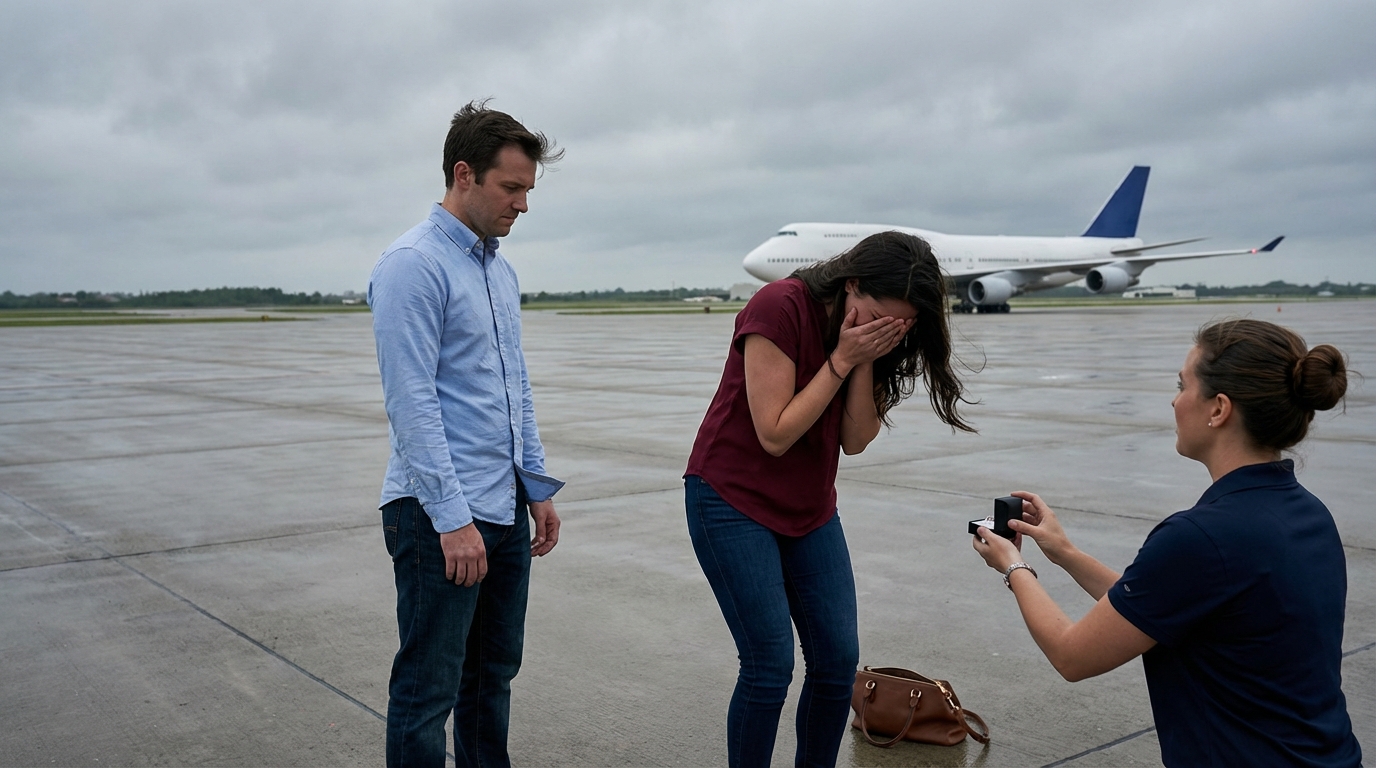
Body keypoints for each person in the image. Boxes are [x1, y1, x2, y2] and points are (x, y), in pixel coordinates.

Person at [972, 318, 1361, 767]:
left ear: (1218, 409)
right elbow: (1163, 607)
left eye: (1182, 385)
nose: (1174, 401)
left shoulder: (1202, 536)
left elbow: (1071, 654)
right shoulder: (1308, 514)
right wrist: (1066, 554)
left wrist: (1013, 567)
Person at [685, 231, 975, 767]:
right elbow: (774, 433)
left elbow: (855, 439)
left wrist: (865, 359)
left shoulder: (875, 337)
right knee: (769, 663)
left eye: (899, 324)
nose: (884, 329)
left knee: (837, 660)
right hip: (731, 499)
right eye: (878, 315)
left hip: (809, 507)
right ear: (852, 283)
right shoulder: (778, 307)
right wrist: (841, 359)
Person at [368, 100, 565, 768]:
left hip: (504, 508)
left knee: (492, 681)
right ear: (463, 175)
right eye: (512, 188)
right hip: (437, 518)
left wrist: (535, 486)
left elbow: (515, 390)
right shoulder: (412, 265)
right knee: (429, 692)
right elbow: (412, 404)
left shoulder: (498, 270)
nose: (523, 206)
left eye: (528, 191)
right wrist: (453, 521)